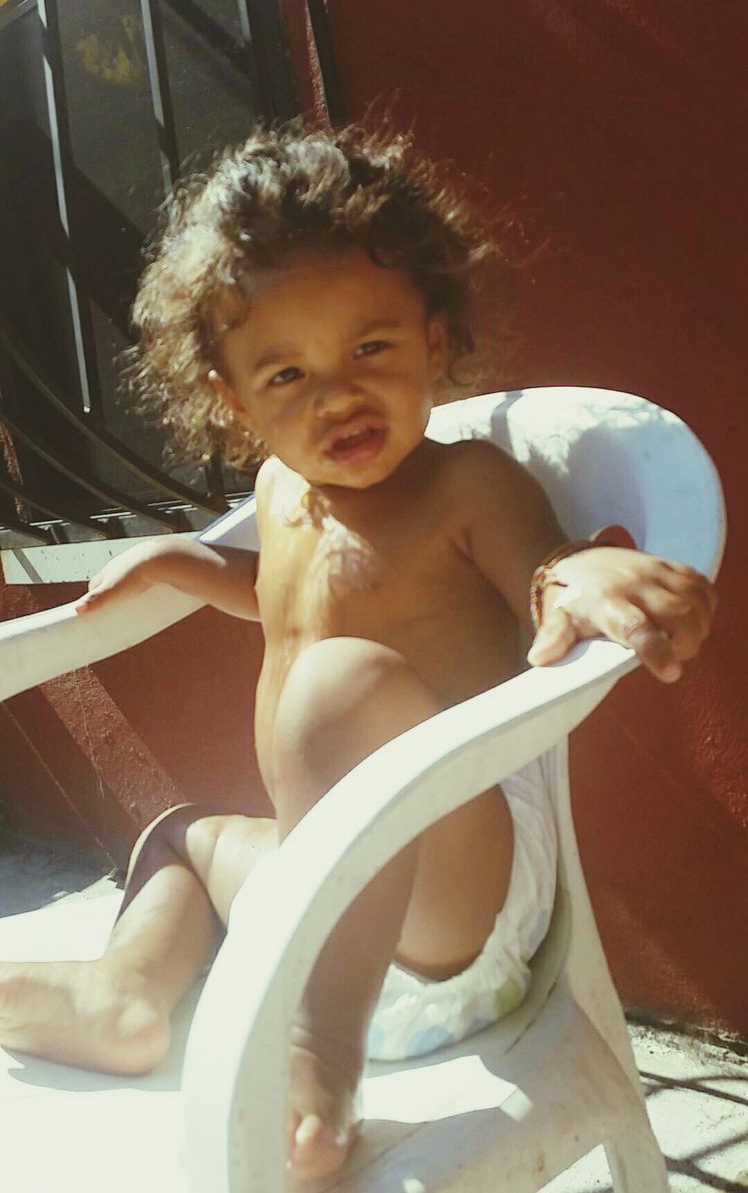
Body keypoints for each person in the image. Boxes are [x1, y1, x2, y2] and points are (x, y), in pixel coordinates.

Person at [0, 123, 716, 1180]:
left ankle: (316, 1057)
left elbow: (542, 572)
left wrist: (580, 573)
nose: (334, 392)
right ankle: (124, 993)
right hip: (322, 885)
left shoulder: (464, 486)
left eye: (368, 349)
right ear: (235, 401)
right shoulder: (285, 494)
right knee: (178, 831)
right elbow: (295, 605)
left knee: (341, 680)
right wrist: (190, 569)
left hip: (449, 918)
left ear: (433, 341)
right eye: (286, 372)